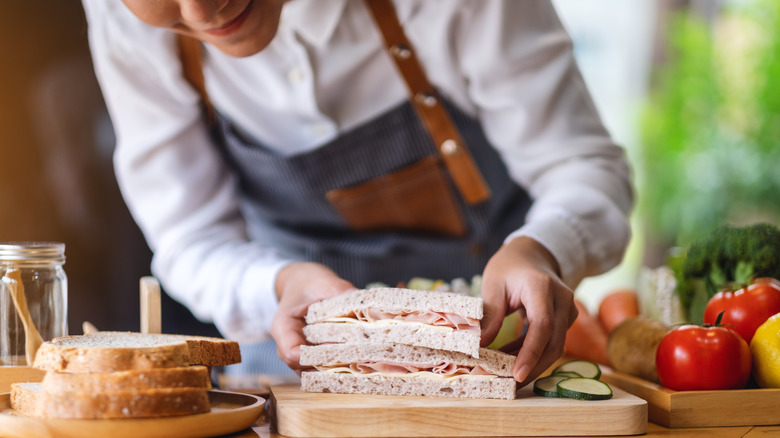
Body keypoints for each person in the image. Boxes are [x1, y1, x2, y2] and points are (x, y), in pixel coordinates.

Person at [80, 0, 633, 386]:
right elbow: (189, 238)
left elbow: (583, 165)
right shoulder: (121, 22)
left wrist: (540, 249)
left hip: (496, 360)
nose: (204, 12)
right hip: (287, 370)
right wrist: (278, 285)